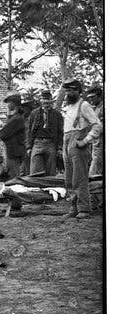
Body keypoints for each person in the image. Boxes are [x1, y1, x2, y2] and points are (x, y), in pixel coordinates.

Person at [61, 79, 102, 220]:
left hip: (78, 144)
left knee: (80, 178)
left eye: (71, 90)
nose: (68, 93)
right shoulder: (68, 107)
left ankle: (84, 208)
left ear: (79, 91)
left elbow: (97, 125)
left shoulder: (84, 105)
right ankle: (73, 208)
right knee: (69, 179)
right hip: (66, 142)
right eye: (67, 90)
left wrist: (86, 140)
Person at [25, 89, 63, 177]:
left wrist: (60, 147)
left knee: (50, 172)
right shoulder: (34, 113)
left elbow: (60, 131)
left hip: (51, 144)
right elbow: (28, 131)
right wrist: (28, 147)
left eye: (47, 99)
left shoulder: (57, 114)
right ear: (40, 100)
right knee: (35, 172)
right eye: (43, 99)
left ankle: (49, 189)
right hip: (37, 143)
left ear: (51, 101)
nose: (45, 102)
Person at [0, 92, 26, 181]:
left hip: (14, 151)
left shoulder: (16, 118)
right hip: (12, 150)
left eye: (9, 102)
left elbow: (3, 134)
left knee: (13, 176)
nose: (7, 105)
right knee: (11, 174)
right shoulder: (14, 117)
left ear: (14, 103)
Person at [85, 86, 103, 176]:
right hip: (96, 143)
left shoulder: (102, 109)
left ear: (99, 96)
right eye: (89, 98)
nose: (90, 99)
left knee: (94, 173)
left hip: (100, 142)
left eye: (92, 97)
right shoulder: (95, 109)